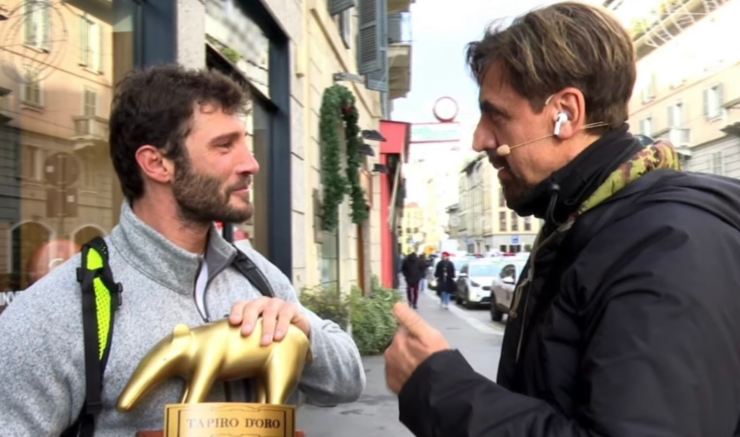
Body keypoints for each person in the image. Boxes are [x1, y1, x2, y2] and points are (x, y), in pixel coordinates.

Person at [384, 2, 740, 436]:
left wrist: (438, 388)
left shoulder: (667, 245)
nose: (480, 139)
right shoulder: (584, 224)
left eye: (496, 114)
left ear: (566, 113)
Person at [0, 65, 365, 435]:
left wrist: (302, 329)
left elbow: (348, 382)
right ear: (157, 163)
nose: (250, 164)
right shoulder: (55, 311)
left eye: (245, 144)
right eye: (225, 145)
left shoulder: (258, 274)